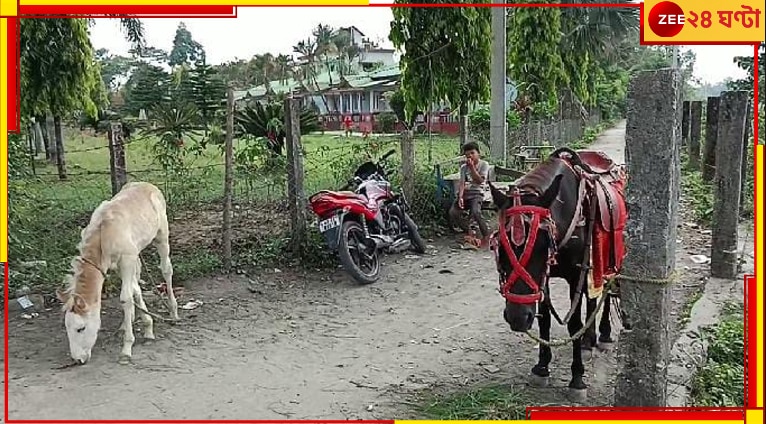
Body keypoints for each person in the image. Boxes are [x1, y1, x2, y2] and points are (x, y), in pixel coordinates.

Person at [449, 141, 491, 248]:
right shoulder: (463, 167)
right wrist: (460, 197)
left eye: (472, 153)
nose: (470, 157)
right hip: (466, 194)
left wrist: (472, 168)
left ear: (478, 153)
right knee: (453, 212)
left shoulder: (483, 165)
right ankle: (468, 230)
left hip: (477, 194)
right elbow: (462, 183)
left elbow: (480, 181)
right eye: (468, 155)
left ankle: (487, 235)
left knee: (476, 212)